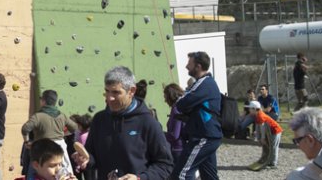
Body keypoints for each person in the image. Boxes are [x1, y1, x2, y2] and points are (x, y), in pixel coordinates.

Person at [75, 66, 172, 180]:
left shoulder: (148, 123)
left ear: (131, 91)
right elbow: (92, 157)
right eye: (107, 91)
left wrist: (140, 178)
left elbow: (165, 165)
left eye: (116, 92)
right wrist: (86, 159)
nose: (109, 98)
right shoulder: (99, 120)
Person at [170, 51, 222, 180]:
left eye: (189, 63)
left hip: (203, 136)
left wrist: (181, 103)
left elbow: (182, 103)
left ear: (198, 66)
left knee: (181, 174)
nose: (187, 66)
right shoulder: (207, 83)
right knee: (209, 176)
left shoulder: (203, 83)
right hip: (209, 136)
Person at [22, 90, 78, 174]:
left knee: (36, 173)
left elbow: (25, 129)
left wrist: (26, 141)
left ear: (43, 101)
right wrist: (63, 134)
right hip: (60, 149)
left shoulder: (38, 116)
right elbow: (74, 128)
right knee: (65, 174)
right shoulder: (62, 115)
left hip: (42, 149)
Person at [245, 101, 282, 171]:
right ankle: (268, 161)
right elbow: (257, 126)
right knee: (269, 146)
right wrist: (258, 137)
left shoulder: (261, 115)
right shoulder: (256, 115)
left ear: (255, 109)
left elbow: (262, 127)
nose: (249, 110)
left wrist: (262, 138)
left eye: (250, 109)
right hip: (270, 132)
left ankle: (273, 163)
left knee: (273, 147)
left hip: (275, 131)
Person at [162, 83, 187, 161]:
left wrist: (160, 133)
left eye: (165, 97)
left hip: (178, 150)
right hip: (180, 148)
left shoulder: (176, 109)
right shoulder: (179, 107)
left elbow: (175, 135)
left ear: (170, 96)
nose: (165, 100)